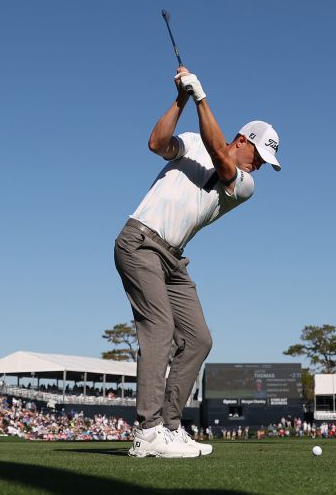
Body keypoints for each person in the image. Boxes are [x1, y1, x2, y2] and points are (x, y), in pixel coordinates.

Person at [116, 66, 280, 458]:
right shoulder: (191, 141)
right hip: (139, 242)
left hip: (173, 259)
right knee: (160, 327)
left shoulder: (244, 184)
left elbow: (222, 161)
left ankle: (170, 427)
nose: (260, 165)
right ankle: (148, 431)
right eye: (259, 155)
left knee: (199, 339)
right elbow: (157, 143)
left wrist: (202, 97)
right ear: (244, 140)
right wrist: (182, 99)